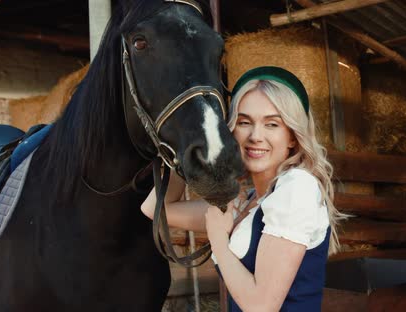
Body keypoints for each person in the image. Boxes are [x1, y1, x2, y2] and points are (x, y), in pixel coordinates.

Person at [141, 66, 344, 311]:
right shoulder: (248, 201)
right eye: (245, 122)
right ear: (231, 130)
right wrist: (189, 143)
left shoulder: (296, 188)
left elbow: (261, 307)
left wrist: (218, 241)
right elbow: (155, 208)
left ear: (292, 137)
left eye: (272, 124)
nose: (255, 136)